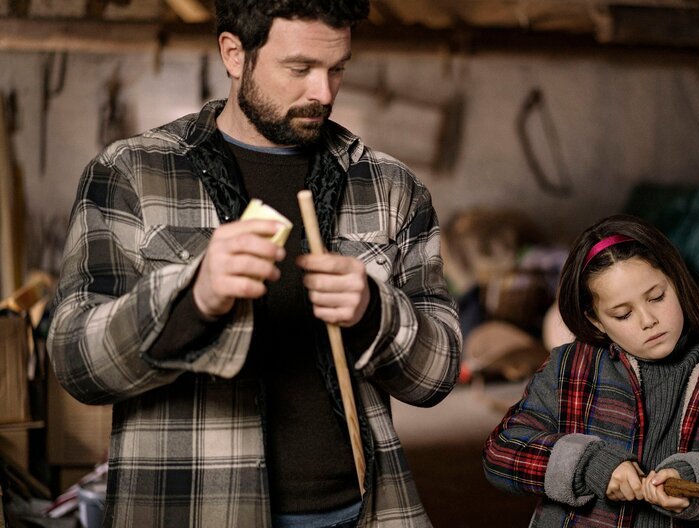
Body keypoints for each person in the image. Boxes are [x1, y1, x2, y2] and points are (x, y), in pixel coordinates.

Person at [46, 1, 461, 526]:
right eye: (299, 68)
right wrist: (191, 298)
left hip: (361, 511)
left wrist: (376, 311)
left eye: (337, 69)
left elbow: (438, 375)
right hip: (196, 509)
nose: (324, 93)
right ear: (234, 53)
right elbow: (75, 363)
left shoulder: (390, 188)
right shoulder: (130, 174)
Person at [482, 214, 699, 526]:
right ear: (596, 320)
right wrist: (587, 465)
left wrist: (697, 479)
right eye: (622, 314)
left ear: (677, 283)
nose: (647, 320)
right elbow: (501, 452)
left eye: (657, 297)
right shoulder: (569, 369)